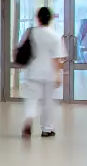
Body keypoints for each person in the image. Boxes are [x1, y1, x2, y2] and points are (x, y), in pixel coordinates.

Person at [21, 7, 67, 138]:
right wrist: (58, 76)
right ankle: (47, 129)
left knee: (31, 99)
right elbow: (57, 58)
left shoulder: (31, 32)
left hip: (32, 72)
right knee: (48, 102)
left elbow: (24, 49)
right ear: (51, 19)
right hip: (49, 74)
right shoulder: (55, 36)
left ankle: (28, 120)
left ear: (38, 18)